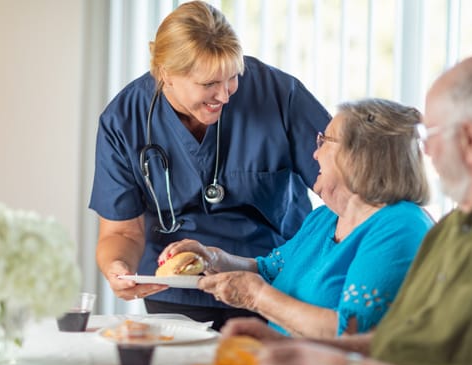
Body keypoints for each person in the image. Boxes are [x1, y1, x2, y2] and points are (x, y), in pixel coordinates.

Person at [220, 54, 472, 365]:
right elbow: (396, 342)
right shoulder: (459, 224)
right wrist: (298, 349)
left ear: (471, 141)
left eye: (430, 137)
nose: (425, 154)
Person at [88, 1, 331, 330]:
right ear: (165, 75)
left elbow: (341, 184)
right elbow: (121, 231)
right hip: (177, 291)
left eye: (233, 77)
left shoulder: (278, 94)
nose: (226, 95)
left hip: (273, 279)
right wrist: (118, 268)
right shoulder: (124, 119)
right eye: (209, 84)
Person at [159, 98, 434, 338]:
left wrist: (256, 297)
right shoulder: (324, 218)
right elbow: (269, 269)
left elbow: (352, 333)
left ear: (359, 156)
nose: (314, 152)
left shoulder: (401, 226)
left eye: (324, 141)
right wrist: (213, 259)